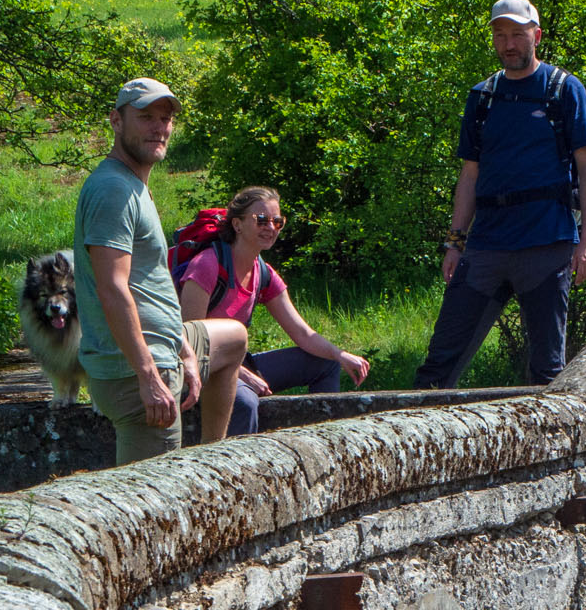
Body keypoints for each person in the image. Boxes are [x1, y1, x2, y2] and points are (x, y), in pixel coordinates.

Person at [413, 0, 586, 388]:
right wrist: (455, 241)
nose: (509, 43)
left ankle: (553, 449)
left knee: (547, 373)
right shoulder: (482, 97)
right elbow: (470, 174)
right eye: (501, 35)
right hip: (486, 246)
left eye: (517, 34)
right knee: (438, 368)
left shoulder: (563, 90)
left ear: (537, 35)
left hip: (546, 244)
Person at [74, 77, 249, 463]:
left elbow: (150, 283)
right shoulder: (113, 191)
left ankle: (209, 464)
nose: (159, 126)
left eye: (166, 117)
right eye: (146, 116)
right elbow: (113, 289)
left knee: (233, 337)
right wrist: (149, 376)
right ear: (116, 122)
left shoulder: (134, 185)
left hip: (163, 348)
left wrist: (184, 347)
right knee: (147, 507)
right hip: (134, 369)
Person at [177, 186, 371, 435]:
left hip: (239, 364)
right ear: (237, 225)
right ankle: (238, 468)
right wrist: (244, 376)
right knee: (246, 403)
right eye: (261, 220)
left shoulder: (263, 273)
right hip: (205, 370)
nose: (270, 228)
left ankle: (321, 442)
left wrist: (340, 354)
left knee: (326, 363)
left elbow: (302, 333)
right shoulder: (207, 265)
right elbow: (190, 342)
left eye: (277, 221)